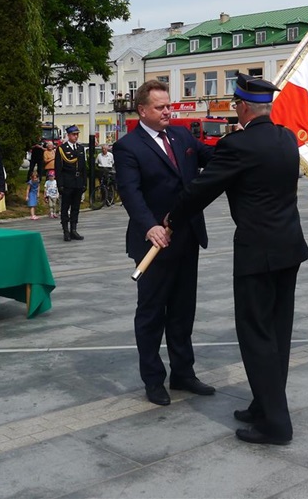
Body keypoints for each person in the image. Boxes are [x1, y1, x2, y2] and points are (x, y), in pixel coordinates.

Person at [167, 74, 308, 446]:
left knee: (257, 336)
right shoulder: (286, 138)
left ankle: (276, 424)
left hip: (257, 252)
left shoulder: (238, 145)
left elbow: (202, 189)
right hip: (289, 247)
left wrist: (171, 217)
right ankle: (264, 404)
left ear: (242, 106)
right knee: (277, 333)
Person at [113, 80, 215, 407]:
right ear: (142, 110)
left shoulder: (182, 136)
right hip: (153, 244)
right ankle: (154, 379)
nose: (167, 111)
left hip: (187, 237)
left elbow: (210, 156)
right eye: (160, 107)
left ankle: (183, 373)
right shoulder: (128, 146)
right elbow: (131, 192)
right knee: (152, 313)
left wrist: (242, 139)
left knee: (183, 311)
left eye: (168, 105)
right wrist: (150, 226)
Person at [55, 125, 87, 241]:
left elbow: (83, 167)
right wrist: (60, 185)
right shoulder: (62, 149)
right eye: (74, 134)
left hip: (78, 182)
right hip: (67, 182)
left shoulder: (80, 148)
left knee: (75, 207)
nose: (76, 136)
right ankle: (66, 231)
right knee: (65, 208)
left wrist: (84, 183)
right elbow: (58, 169)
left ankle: (74, 229)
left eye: (77, 134)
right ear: (68, 135)